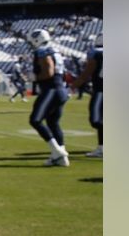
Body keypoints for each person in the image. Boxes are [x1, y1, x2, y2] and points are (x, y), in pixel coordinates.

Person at [27, 28, 71, 166]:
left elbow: (49, 71)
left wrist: (35, 77)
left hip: (51, 89)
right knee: (53, 122)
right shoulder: (54, 50)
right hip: (60, 90)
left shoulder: (42, 51)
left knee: (35, 120)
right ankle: (61, 158)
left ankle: (57, 151)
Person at [72, 33, 103, 158]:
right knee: (102, 119)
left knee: (95, 120)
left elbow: (87, 72)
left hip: (101, 90)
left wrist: (75, 84)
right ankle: (102, 148)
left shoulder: (96, 52)